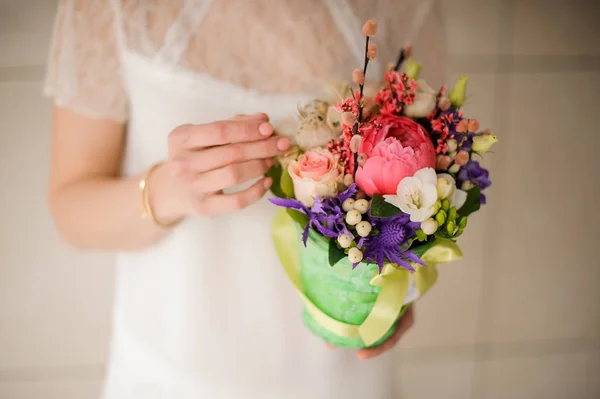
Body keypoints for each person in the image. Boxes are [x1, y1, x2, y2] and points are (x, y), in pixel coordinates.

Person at [44, 1, 445, 397]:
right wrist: (169, 190)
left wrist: (398, 291)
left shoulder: (402, 7)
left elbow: (433, 178)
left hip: (342, 379)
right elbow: (70, 211)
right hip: (170, 376)